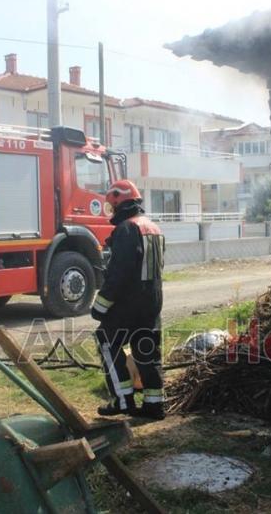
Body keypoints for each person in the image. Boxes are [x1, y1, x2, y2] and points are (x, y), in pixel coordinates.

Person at [91, 180, 166, 420]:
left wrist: (100, 307)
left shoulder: (126, 228)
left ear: (119, 203)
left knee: (106, 341)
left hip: (129, 303)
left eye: (112, 207)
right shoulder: (154, 228)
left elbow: (118, 274)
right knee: (147, 351)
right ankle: (154, 405)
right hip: (152, 302)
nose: (111, 212)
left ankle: (123, 401)